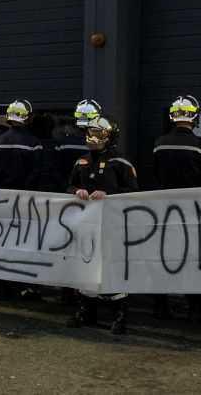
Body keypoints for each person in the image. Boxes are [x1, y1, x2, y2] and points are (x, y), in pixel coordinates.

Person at [65, 116, 138, 335]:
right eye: (90, 133)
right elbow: (69, 186)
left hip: (112, 225)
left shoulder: (122, 162)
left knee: (112, 267)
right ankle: (86, 311)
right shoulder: (81, 162)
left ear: (110, 136)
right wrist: (75, 191)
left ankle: (120, 315)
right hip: (86, 225)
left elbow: (134, 192)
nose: (93, 138)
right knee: (86, 265)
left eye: (98, 134)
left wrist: (109, 195)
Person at [151, 95, 201, 320]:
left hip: (164, 209)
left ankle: (160, 305)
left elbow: (155, 174)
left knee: (163, 257)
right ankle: (195, 307)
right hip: (193, 211)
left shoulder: (159, 144)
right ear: (194, 117)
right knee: (194, 258)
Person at [0, 100, 43, 191]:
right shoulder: (34, 144)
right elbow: (37, 172)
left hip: (1, 196)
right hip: (25, 197)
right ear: (27, 117)